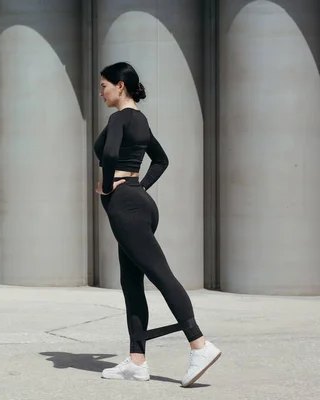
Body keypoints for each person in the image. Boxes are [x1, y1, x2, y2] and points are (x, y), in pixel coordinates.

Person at [93, 61, 221, 387]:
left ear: (120, 86)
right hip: (139, 202)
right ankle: (136, 361)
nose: (101, 91)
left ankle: (199, 344)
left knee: (161, 275)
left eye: (104, 85)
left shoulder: (120, 118)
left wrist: (109, 185)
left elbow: (108, 154)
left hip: (126, 207)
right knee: (131, 282)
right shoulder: (141, 121)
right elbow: (161, 160)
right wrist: (140, 187)